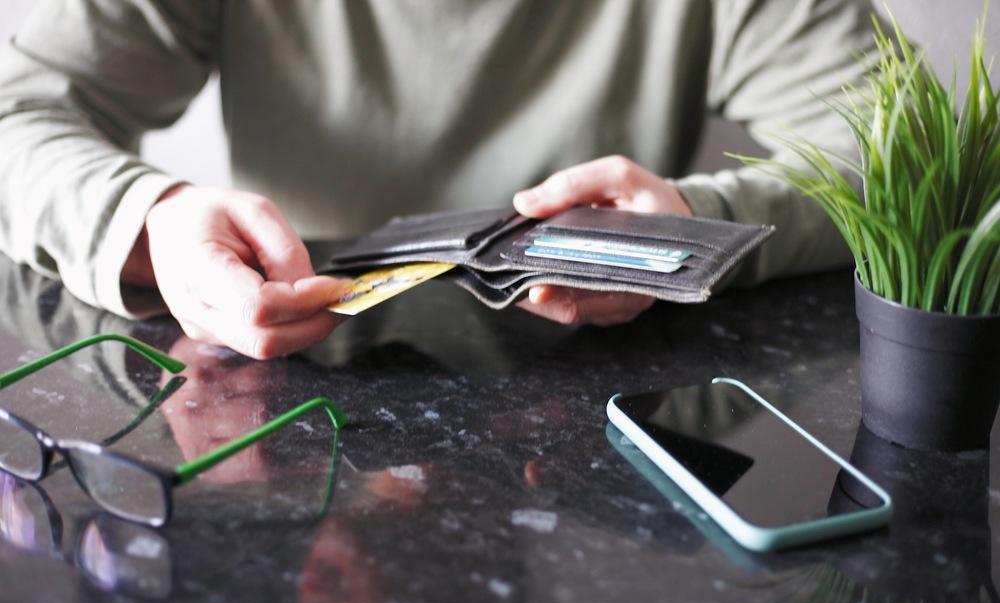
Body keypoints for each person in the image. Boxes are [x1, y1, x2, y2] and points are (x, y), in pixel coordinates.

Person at [0, 0, 874, 359]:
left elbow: (906, 146)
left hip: (612, 398)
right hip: (283, 391)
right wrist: (150, 219)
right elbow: (15, 115)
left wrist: (693, 227)